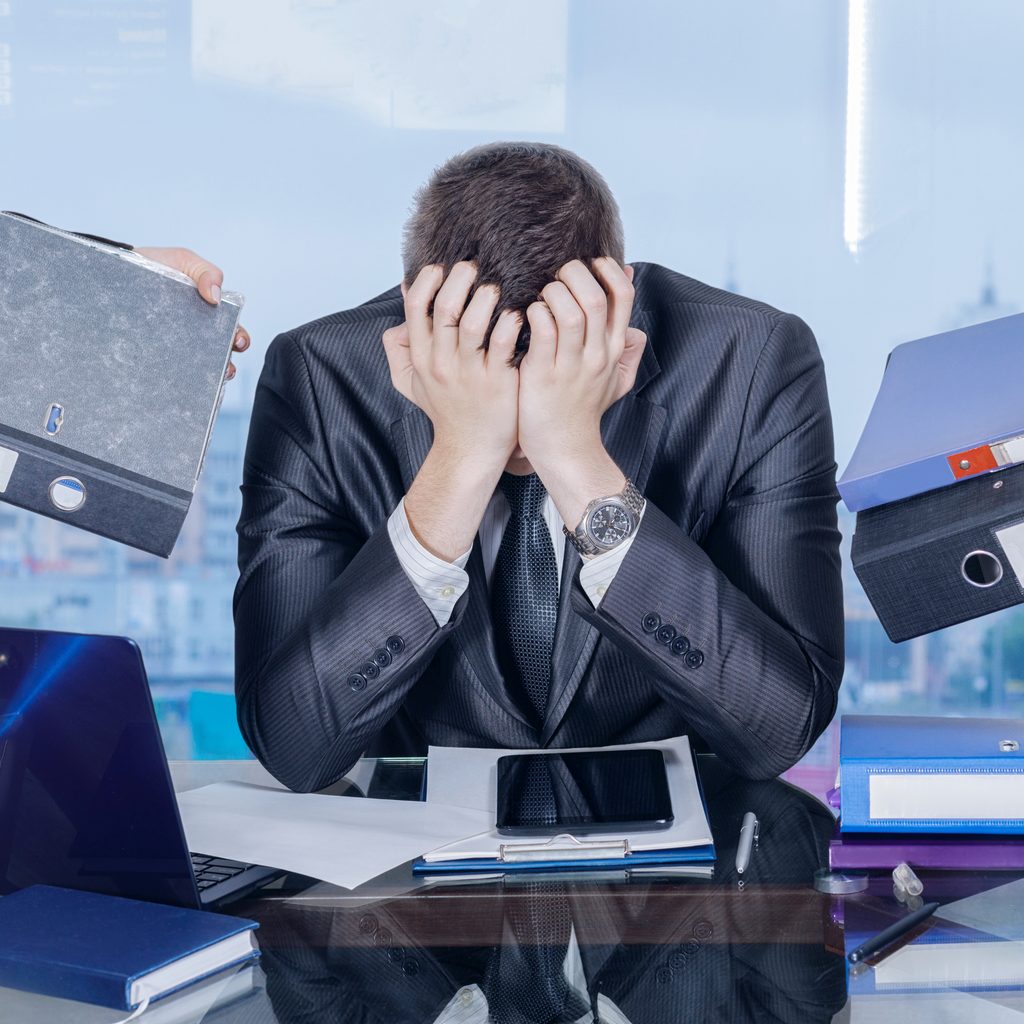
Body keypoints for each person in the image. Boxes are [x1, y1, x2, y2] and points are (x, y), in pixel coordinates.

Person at [234, 141, 844, 793]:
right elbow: (293, 746)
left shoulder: (753, 364)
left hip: (679, 839)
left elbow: (781, 727)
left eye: (555, 363)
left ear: (619, 310)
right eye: (484, 363)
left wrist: (574, 454)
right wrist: (461, 456)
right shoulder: (318, 379)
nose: (520, 410)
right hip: (418, 839)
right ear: (416, 320)